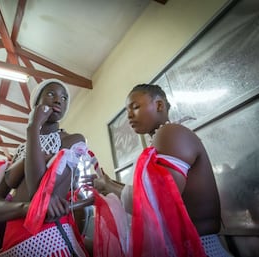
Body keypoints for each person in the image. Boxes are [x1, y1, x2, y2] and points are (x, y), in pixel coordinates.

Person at [92, 84, 231, 256]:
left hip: (198, 248)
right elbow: (148, 192)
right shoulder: (161, 140)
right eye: (127, 110)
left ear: (159, 105)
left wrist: (109, 187)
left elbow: (156, 202)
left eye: (135, 107)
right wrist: (110, 184)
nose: (129, 116)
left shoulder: (170, 133)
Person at [0, 78, 93, 257]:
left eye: (64, 97)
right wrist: (25, 208)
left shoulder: (72, 141)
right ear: (36, 102)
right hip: (13, 240)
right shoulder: (21, 150)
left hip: (49, 239)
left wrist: (33, 128)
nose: (59, 100)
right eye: (51, 94)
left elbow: (38, 193)